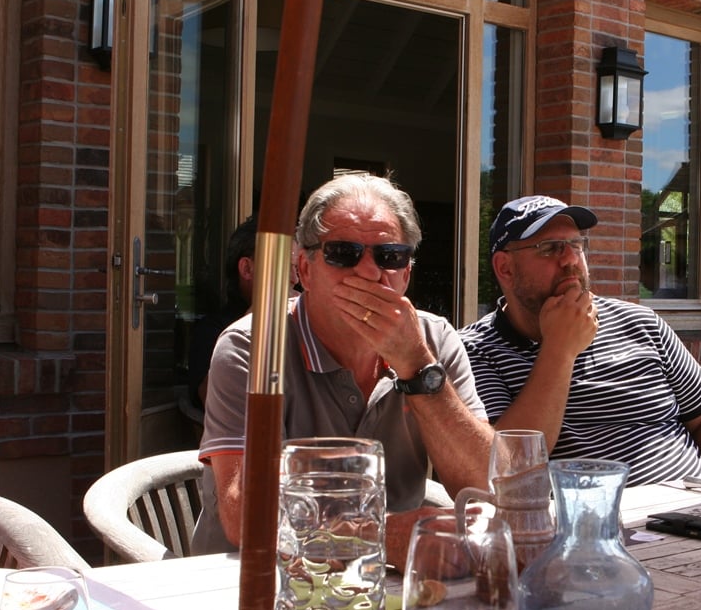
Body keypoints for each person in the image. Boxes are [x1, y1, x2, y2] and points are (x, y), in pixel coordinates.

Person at [192, 174, 493, 570]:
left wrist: (418, 369)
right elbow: (243, 518)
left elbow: (485, 485)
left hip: (386, 582)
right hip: (253, 578)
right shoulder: (254, 346)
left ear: (405, 274)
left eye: (389, 256)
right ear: (304, 269)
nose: (368, 272)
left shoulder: (433, 340)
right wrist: (379, 536)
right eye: (343, 253)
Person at [459, 195, 701, 486]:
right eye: (549, 248)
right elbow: (507, 470)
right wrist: (559, 349)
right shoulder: (475, 351)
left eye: (576, 244)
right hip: (595, 513)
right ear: (506, 268)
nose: (571, 259)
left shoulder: (640, 323)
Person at [187, 215, 258, 413]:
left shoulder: (300, 326)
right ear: (247, 269)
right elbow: (210, 399)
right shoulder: (213, 331)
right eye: (283, 267)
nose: (294, 278)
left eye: (296, 267)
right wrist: (260, 314)